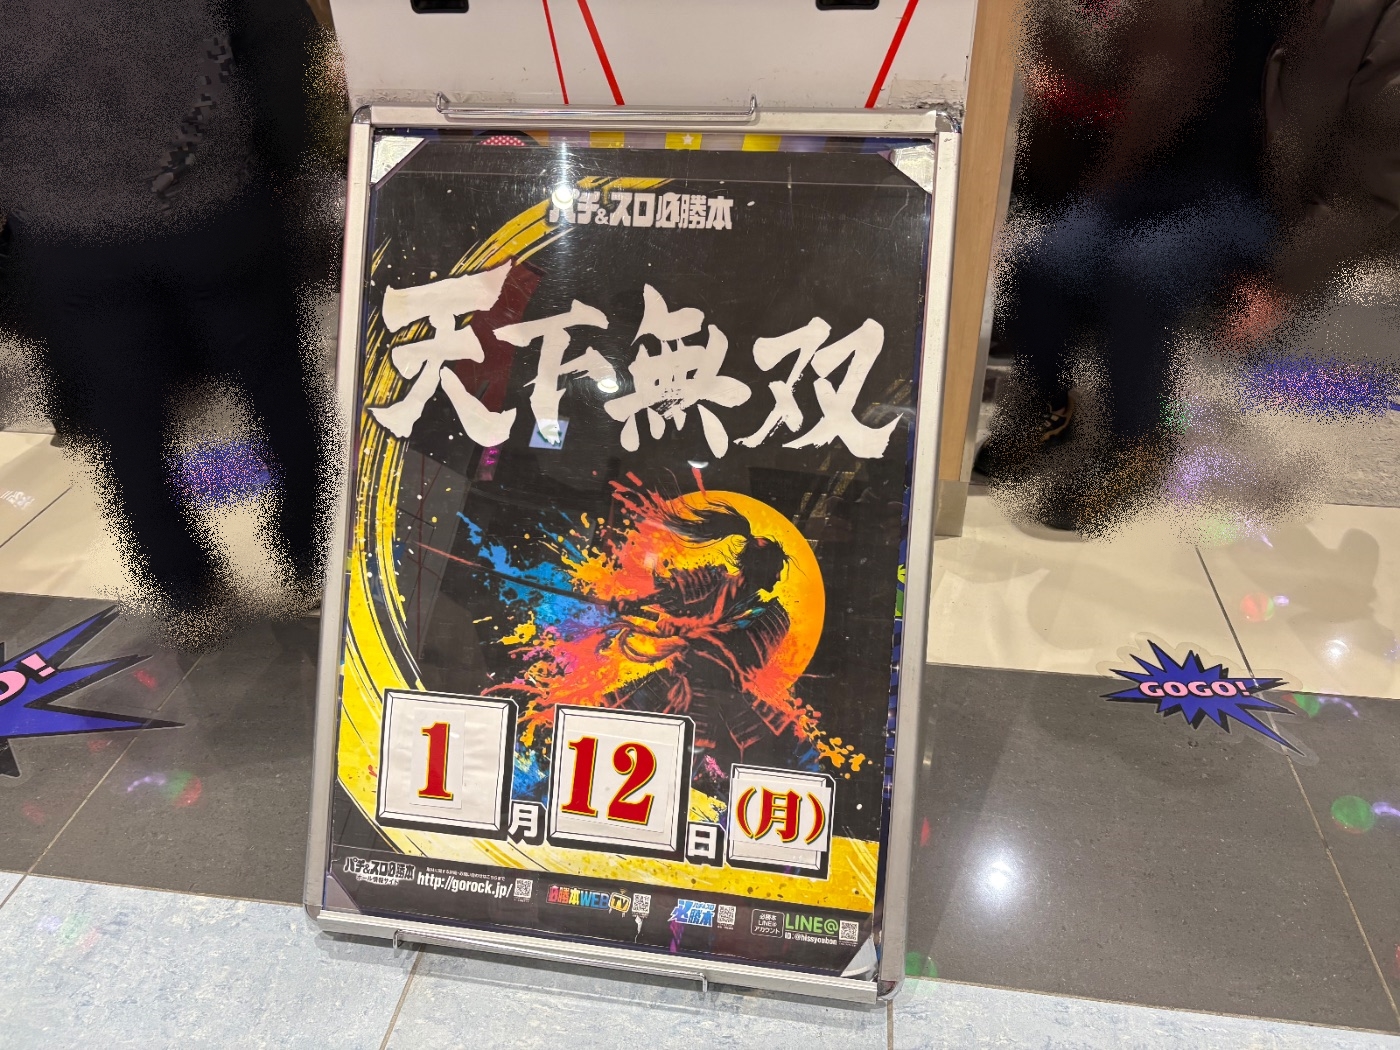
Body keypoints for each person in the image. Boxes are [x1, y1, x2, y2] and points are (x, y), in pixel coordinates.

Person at [0, 0, 336, 631]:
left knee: (123, 416)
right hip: (215, 201)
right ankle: (312, 557)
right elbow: (276, 38)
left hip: (70, 227)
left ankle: (183, 587)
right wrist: (284, 163)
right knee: (277, 385)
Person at [980, 0, 1287, 532]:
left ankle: (1138, 443)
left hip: (1242, 193)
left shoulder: (1291, 18)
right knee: (1045, 261)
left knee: (1140, 271)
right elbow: (1119, 74)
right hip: (1147, 177)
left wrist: (1286, 271)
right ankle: (1050, 406)